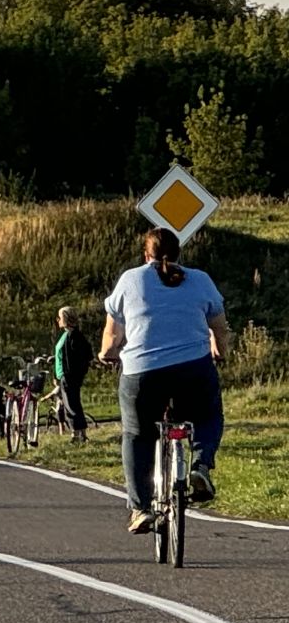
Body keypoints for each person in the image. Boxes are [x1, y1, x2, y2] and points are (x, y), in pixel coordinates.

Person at [100, 226, 231, 531]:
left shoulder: (130, 280)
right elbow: (220, 327)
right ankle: (200, 466)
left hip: (142, 373)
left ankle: (141, 507)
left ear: (146, 254)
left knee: (136, 433)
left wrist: (107, 353)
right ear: (179, 253)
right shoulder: (200, 280)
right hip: (193, 369)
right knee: (208, 416)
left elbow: (112, 333)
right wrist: (218, 351)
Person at [54, 306, 94, 442]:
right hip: (65, 374)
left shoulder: (73, 336)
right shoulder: (68, 334)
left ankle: (76, 433)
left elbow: (83, 355)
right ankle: (81, 432)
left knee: (70, 404)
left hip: (69, 375)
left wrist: (74, 372)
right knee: (74, 403)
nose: (57, 320)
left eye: (59, 317)